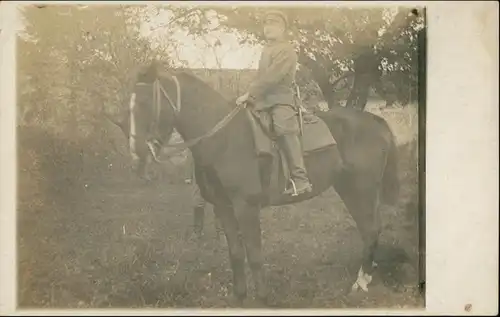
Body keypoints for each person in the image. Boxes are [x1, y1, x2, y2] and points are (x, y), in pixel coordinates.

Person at [236, 10, 313, 196]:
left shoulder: (287, 50)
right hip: (263, 101)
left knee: (283, 129)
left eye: (273, 24)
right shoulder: (266, 50)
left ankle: (300, 178)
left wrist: (250, 93)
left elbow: (272, 78)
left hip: (281, 99)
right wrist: (250, 94)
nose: (268, 28)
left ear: (283, 29)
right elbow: (261, 77)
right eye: (266, 24)